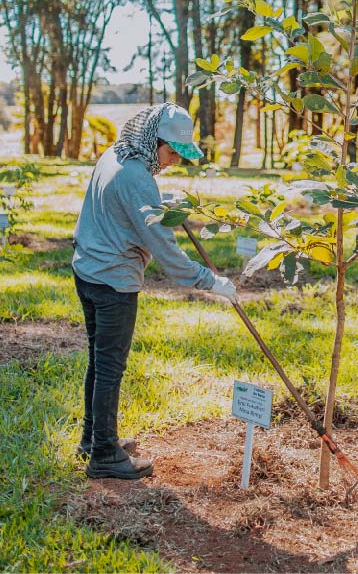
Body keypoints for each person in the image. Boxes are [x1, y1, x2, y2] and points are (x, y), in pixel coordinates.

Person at [71, 103, 237, 480]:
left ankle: (93, 439)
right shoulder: (137, 178)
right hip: (113, 280)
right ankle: (104, 456)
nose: (176, 160)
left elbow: (126, 204)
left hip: (88, 270)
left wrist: (160, 202)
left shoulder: (118, 153)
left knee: (99, 362)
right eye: (173, 152)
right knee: (110, 367)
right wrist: (211, 281)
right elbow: (166, 250)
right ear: (153, 140)